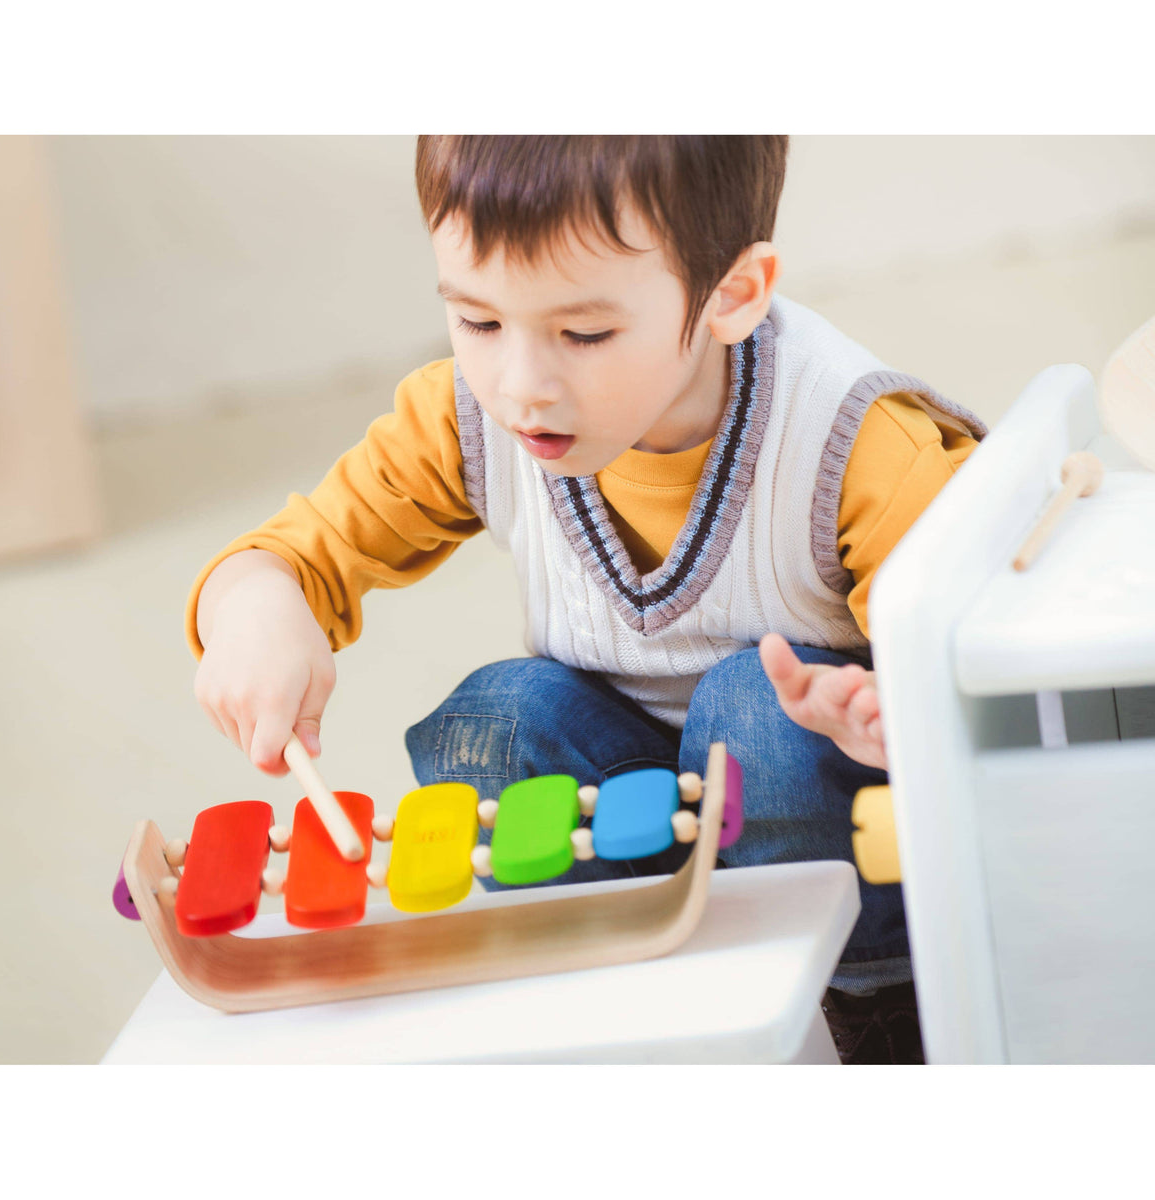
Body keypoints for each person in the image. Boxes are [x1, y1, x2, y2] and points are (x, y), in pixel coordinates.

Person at [186, 136, 984, 1063]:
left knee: (756, 714)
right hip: (635, 802)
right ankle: (624, 980)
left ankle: (879, 1007)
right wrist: (255, 608)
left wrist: (900, 719)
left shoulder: (858, 442)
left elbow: (988, 666)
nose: (520, 385)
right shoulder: (466, 415)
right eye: (478, 323)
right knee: (497, 715)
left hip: (830, 832)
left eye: (584, 334)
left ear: (733, 294)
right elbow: (287, 555)